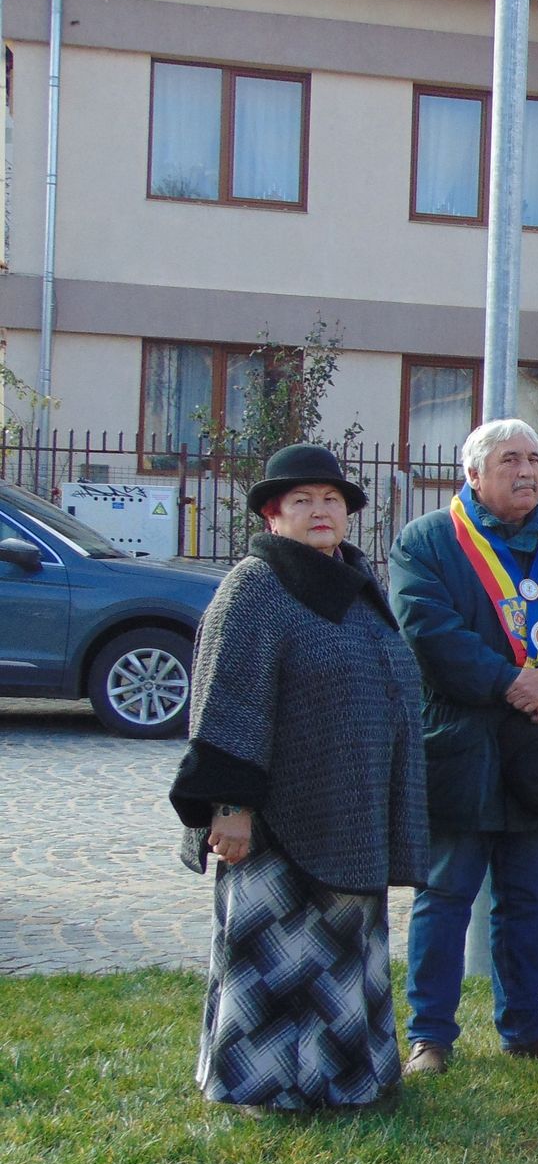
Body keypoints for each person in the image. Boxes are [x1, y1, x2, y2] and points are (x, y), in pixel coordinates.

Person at [169, 444, 427, 1112]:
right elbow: (227, 698)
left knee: (343, 947)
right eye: (302, 500)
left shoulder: (355, 585)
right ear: (272, 515)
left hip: (350, 808)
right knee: (277, 957)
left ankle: (346, 1079)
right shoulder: (256, 587)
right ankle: (265, 1084)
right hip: (273, 818)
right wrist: (228, 804)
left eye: (332, 499)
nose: (320, 510)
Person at [388, 418, 538, 1075]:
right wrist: (510, 682)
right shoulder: (426, 542)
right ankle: (431, 1036)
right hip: (460, 746)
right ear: (473, 474)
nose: (526, 471)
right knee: (445, 896)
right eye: (510, 460)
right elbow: (428, 631)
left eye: (534, 458)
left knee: (529, 898)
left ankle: (526, 1026)